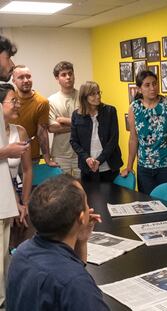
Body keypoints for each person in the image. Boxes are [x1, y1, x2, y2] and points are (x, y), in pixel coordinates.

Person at [6, 174, 110, 310]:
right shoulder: (75, 284)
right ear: (81, 217)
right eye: (86, 203)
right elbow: (73, 281)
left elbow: (71, 267)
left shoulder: (21, 252)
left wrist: (81, 242)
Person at [0, 34, 29, 306]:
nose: (11, 64)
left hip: (6, 201)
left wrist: (22, 201)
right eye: (8, 57)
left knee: (4, 265)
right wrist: (6, 153)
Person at [121, 70, 167, 194]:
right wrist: (129, 166)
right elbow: (133, 138)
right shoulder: (134, 108)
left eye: (154, 84)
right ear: (139, 89)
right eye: (147, 85)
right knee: (147, 204)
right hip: (144, 167)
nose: (152, 88)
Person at [70, 81, 123, 182]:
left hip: (109, 166)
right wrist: (87, 158)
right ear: (84, 97)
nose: (98, 96)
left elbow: (113, 140)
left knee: (112, 197)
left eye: (98, 93)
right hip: (87, 167)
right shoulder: (76, 115)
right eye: (93, 94)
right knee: (90, 196)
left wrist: (99, 160)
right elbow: (74, 141)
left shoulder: (110, 111)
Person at [1, 84, 32, 248]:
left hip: (17, 191)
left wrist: (24, 203)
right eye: (14, 101)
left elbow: (27, 170)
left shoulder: (20, 132)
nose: (18, 105)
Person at [12, 65, 57, 166]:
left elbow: (42, 132)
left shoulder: (41, 102)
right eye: (21, 77)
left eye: (28, 76)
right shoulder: (8, 99)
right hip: (9, 155)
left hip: (31, 157)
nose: (26, 80)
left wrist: (47, 159)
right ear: (13, 81)